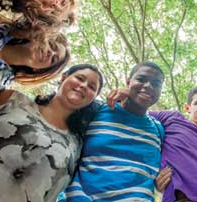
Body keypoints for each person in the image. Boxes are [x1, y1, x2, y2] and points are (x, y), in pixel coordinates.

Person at [0, 64, 104, 202]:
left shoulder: (78, 145)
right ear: (63, 78)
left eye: (92, 87)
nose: (84, 86)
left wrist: (125, 95)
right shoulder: (11, 98)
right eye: (80, 78)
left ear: (93, 99)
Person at [60, 61, 165, 202]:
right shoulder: (96, 110)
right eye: (141, 79)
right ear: (128, 82)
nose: (148, 86)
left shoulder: (159, 129)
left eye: (156, 83)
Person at [0, 20, 70, 107]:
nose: (51, 53)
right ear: (40, 37)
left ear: (38, 69)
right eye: (52, 45)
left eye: (53, 59)